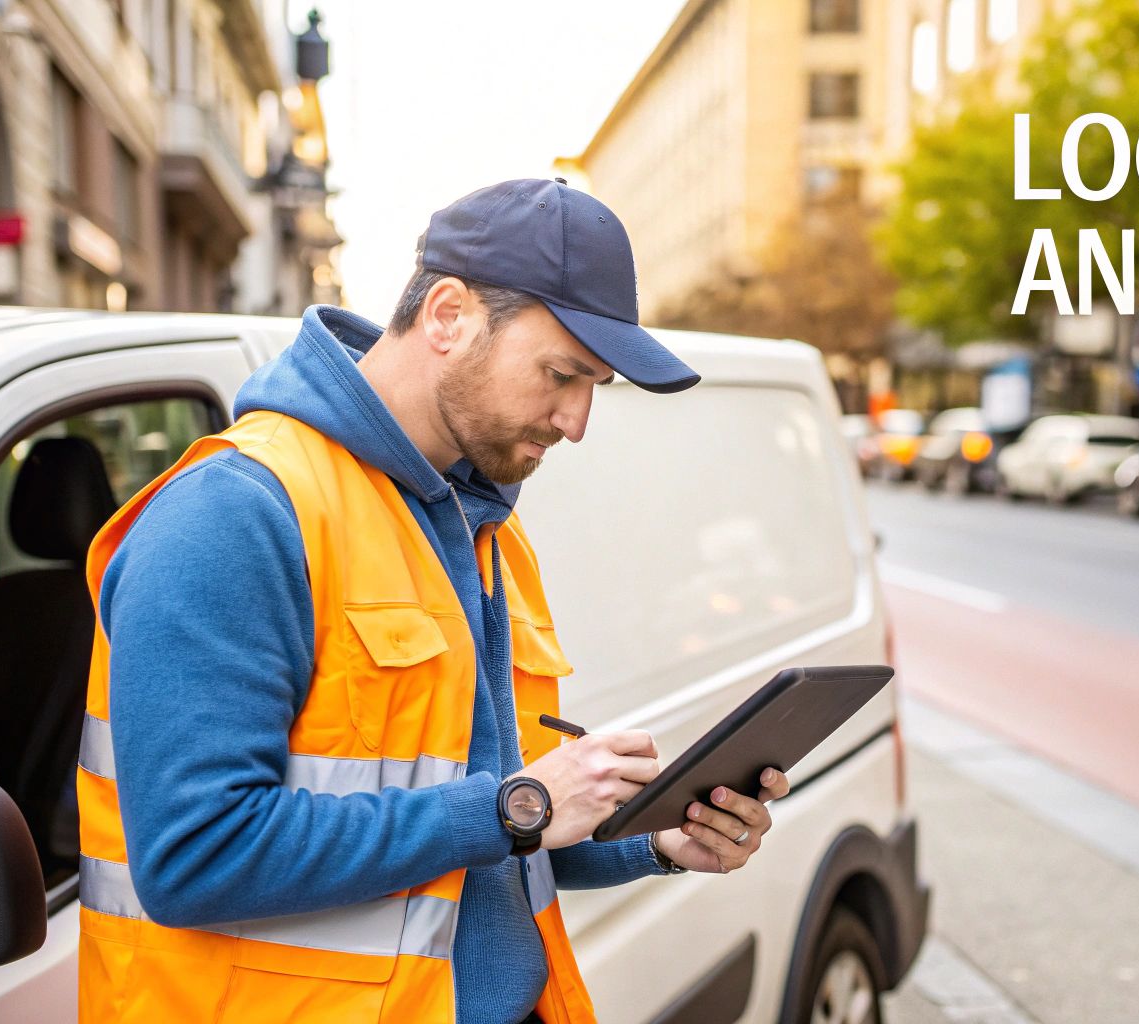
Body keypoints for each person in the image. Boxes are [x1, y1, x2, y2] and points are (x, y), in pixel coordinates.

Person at [75, 179, 789, 1024]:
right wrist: (520, 805)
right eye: (562, 375)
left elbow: (490, 838)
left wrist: (654, 841)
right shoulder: (237, 512)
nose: (577, 421)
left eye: (597, 385)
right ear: (448, 315)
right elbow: (196, 857)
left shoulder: (480, 524)